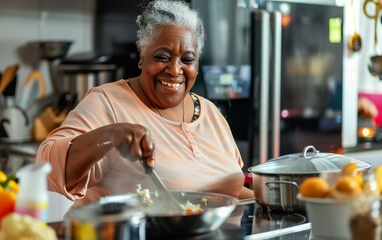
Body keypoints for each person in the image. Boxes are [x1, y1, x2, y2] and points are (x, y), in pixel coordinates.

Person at [36, 0, 254, 208]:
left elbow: (229, 192)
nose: (175, 70)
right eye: (162, 57)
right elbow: (47, 167)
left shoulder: (210, 113)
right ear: (142, 56)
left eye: (187, 60)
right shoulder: (108, 102)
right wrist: (109, 136)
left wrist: (271, 202)